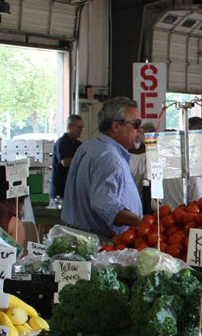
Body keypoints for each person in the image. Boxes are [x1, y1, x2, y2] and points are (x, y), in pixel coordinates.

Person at [62, 97, 144, 237]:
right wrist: (142, 223)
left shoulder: (88, 147)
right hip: (101, 243)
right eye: (136, 124)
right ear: (116, 126)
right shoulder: (109, 157)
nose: (139, 130)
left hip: (80, 236)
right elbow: (104, 204)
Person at [52, 114, 84, 199]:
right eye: (79, 127)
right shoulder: (62, 142)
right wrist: (81, 159)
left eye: (82, 127)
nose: (81, 130)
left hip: (73, 188)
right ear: (70, 126)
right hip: (61, 190)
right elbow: (65, 162)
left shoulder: (78, 144)